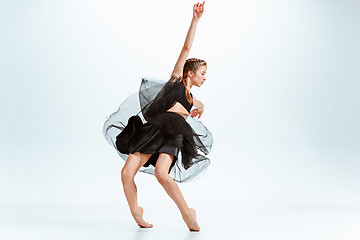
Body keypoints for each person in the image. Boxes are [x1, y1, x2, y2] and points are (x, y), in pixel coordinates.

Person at [103, 1, 212, 231]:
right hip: (152, 132)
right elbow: (186, 48)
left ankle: (187, 213)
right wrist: (195, 20)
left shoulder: (192, 99)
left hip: (172, 136)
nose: (205, 77)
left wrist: (201, 104)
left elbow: (195, 103)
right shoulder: (175, 81)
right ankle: (137, 212)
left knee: (162, 174)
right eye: (202, 74)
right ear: (189, 73)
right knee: (126, 174)